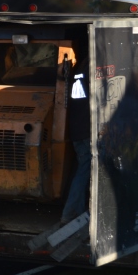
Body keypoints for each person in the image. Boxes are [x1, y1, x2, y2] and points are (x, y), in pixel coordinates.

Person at [61, 62, 90, 223]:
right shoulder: (93, 70)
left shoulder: (77, 69)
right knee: (87, 168)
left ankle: (73, 210)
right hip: (87, 129)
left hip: (76, 129)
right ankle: (71, 212)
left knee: (83, 167)